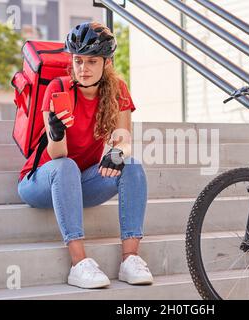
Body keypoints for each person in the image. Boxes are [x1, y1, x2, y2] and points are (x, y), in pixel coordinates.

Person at [17, 22, 153, 289]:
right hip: (40, 182)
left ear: (106, 62)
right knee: (66, 166)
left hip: (81, 183)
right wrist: (55, 133)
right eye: (78, 61)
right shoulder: (58, 88)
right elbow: (58, 155)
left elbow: (124, 140)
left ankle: (130, 259)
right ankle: (79, 263)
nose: (83, 68)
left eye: (92, 61)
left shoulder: (118, 90)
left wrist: (116, 153)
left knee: (132, 166)